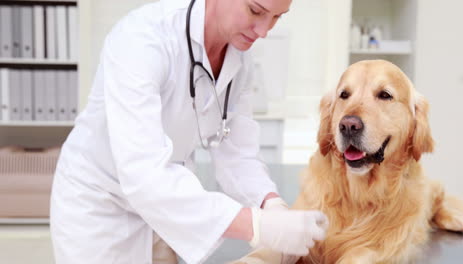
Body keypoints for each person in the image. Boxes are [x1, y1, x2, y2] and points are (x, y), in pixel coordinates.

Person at [50, 0, 329, 263]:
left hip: (168, 204)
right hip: (100, 204)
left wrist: (271, 204)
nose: (264, 31)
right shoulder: (141, 40)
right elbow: (142, 174)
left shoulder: (239, 62)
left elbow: (237, 153)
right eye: (256, 11)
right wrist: (257, 226)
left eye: (277, 17)